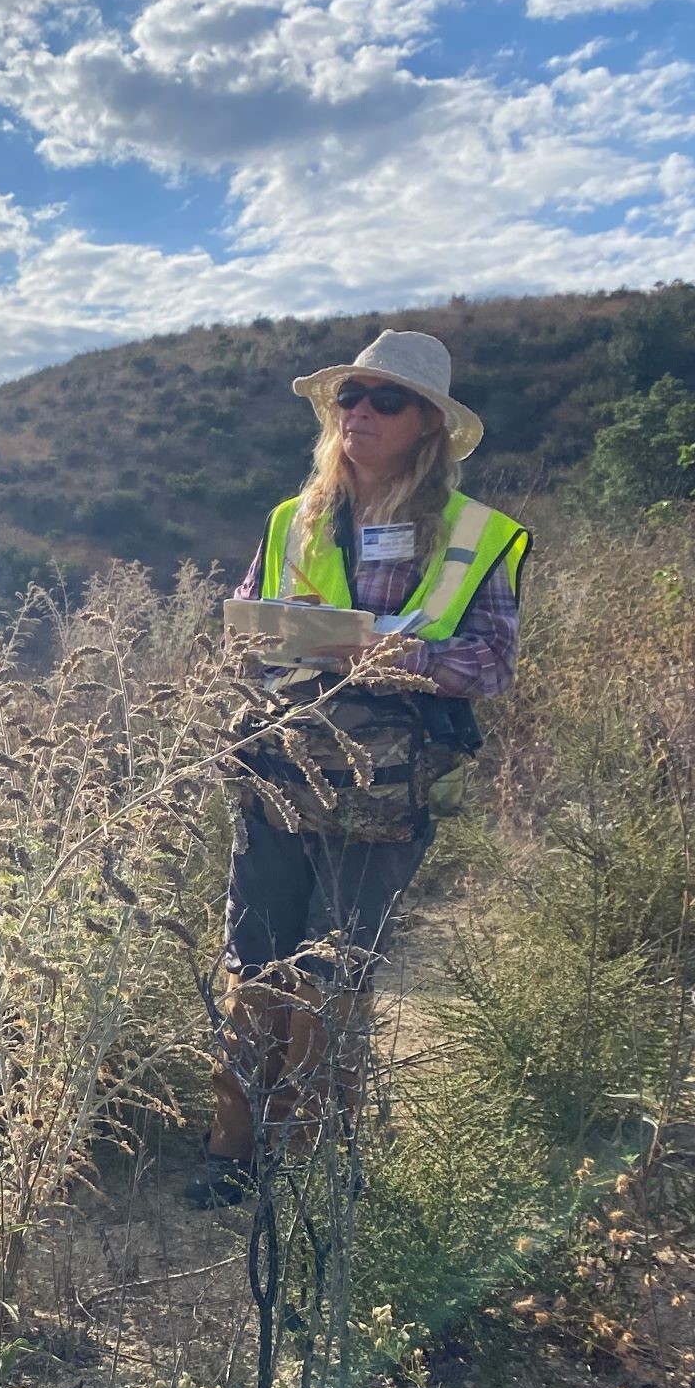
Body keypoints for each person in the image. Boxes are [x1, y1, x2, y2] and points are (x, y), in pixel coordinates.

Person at [190, 329, 530, 1209]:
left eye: (386, 400)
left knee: (334, 960)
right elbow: (242, 618)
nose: (361, 413)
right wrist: (263, 637)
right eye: (351, 396)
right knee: (255, 951)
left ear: (428, 426)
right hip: (278, 763)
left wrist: (385, 655)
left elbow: (491, 663)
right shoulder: (291, 517)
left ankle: (303, 1171)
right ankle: (234, 1154)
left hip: (384, 783)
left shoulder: (474, 535)